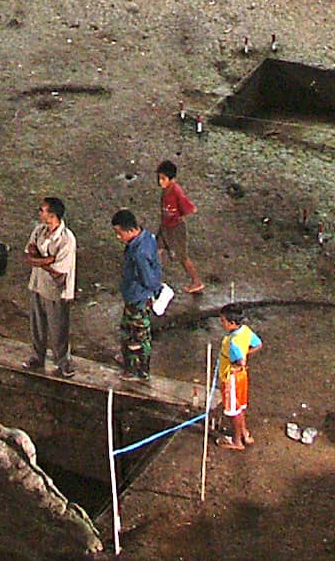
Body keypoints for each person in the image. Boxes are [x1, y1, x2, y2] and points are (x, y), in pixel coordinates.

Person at [22, 197, 77, 377]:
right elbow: (29, 254)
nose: (39, 212)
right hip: (38, 284)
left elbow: (58, 272)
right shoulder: (39, 231)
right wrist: (47, 260)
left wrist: (39, 261)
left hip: (56, 290)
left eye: (42, 210)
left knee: (58, 328)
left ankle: (63, 362)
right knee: (37, 325)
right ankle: (37, 357)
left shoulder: (67, 240)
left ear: (52, 215)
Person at [112, 208, 163, 381]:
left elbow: (148, 279)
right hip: (137, 296)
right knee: (133, 331)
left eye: (120, 233)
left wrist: (151, 290)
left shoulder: (139, 253)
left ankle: (137, 370)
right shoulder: (148, 237)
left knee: (136, 336)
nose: (119, 238)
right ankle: (133, 363)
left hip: (138, 298)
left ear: (130, 230)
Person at [215, 303, 262, 451]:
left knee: (233, 411)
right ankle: (244, 433)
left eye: (223, 321)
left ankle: (237, 441)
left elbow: (239, 361)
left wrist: (239, 362)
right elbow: (258, 344)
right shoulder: (245, 331)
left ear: (232, 323)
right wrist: (245, 353)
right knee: (240, 407)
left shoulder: (233, 342)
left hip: (231, 379)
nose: (221, 323)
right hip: (242, 377)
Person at [156, 160, 205, 294]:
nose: (160, 182)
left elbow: (189, 208)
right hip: (165, 226)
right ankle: (156, 280)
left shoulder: (176, 191)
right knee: (157, 250)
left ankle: (197, 281)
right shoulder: (166, 190)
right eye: (159, 178)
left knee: (183, 257)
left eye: (163, 179)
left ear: (172, 179)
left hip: (175, 228)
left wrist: (178, 216)